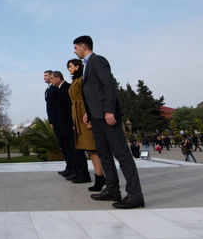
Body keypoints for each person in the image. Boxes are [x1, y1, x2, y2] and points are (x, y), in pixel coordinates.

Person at [73, 35, 144, 209]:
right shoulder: (87, 65)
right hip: (96, 118)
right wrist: (88, 114)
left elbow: (109, 85)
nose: (74, 51)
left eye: (75, 47)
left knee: (122, 155)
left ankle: (135, 195)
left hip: (107, 116)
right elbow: (92, 93)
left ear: (83, 46)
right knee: (104, 154)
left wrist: (109, 110)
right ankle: (112, 189)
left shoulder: (98, 60)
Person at [67, 59, 105, 191]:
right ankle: (99, 176)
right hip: (77, 115)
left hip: (85, 114)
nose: (69, 69)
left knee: (93, 148)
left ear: (78, 67)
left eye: (71, 66)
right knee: (89, 150)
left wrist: (89, 115)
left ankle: (100, 177)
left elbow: (89, 97)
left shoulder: (83, 78)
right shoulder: (75, 80)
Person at [47, 71, 90, 183]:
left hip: (69, 124)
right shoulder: (60, 89)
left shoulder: (66, 87)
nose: (51, 80)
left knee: (75, 150)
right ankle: (75, 171)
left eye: (52, 78)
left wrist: (73, 123)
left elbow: (70, 108)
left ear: (58, 78)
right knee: (69, 149)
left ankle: (82, 173)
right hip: (63, 124)